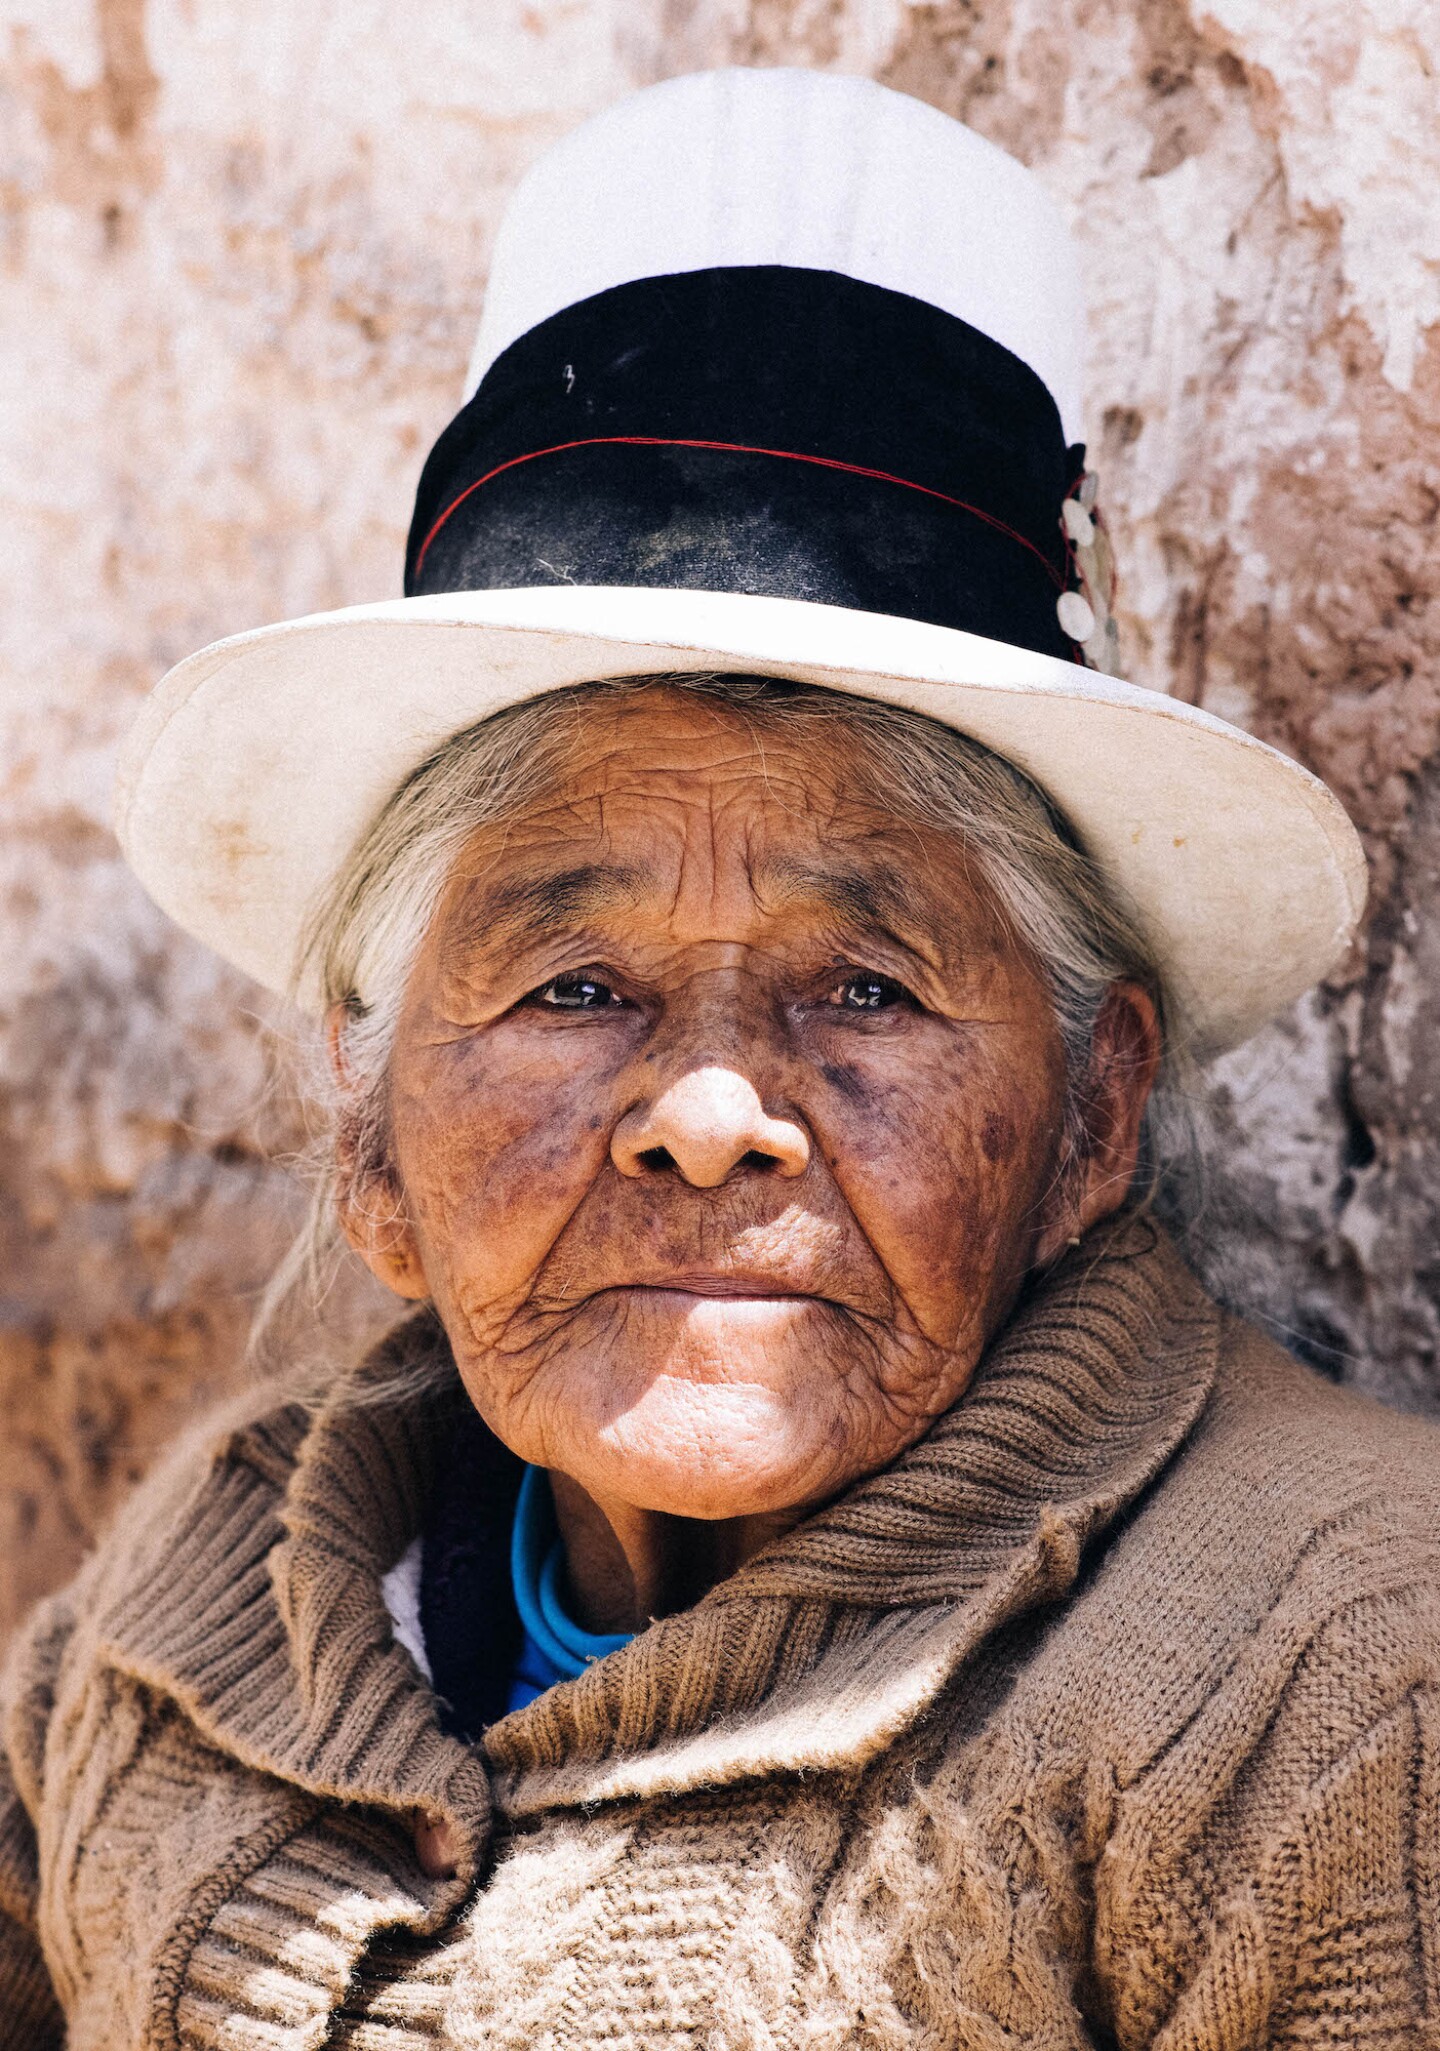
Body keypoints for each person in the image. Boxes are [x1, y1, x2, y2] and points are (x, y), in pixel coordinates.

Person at [3, 67, 1436, 2051]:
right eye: (573, 987)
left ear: (1096, 1111)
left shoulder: (1348, 1690)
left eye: (865, 986)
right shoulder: (210, 1588)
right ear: (369, 1131)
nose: (704, 1118)